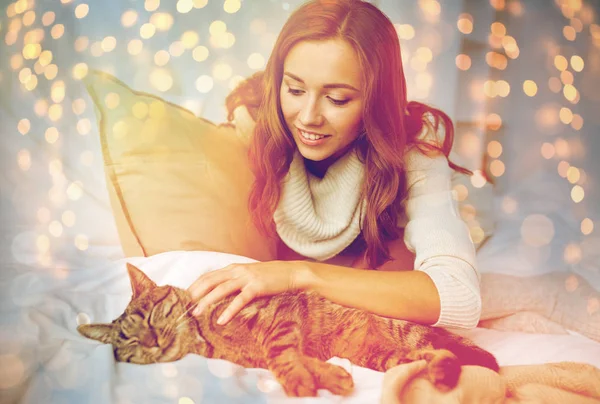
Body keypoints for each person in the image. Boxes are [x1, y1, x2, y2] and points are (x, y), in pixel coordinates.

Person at [188, 0, 481, 331]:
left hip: (447, 236)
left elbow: (461, 298)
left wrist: (299, 275)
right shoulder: (253, 125)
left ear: (376, 98)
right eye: (295, 89)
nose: (309, 117)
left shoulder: (412, 146)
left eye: (337, 99)